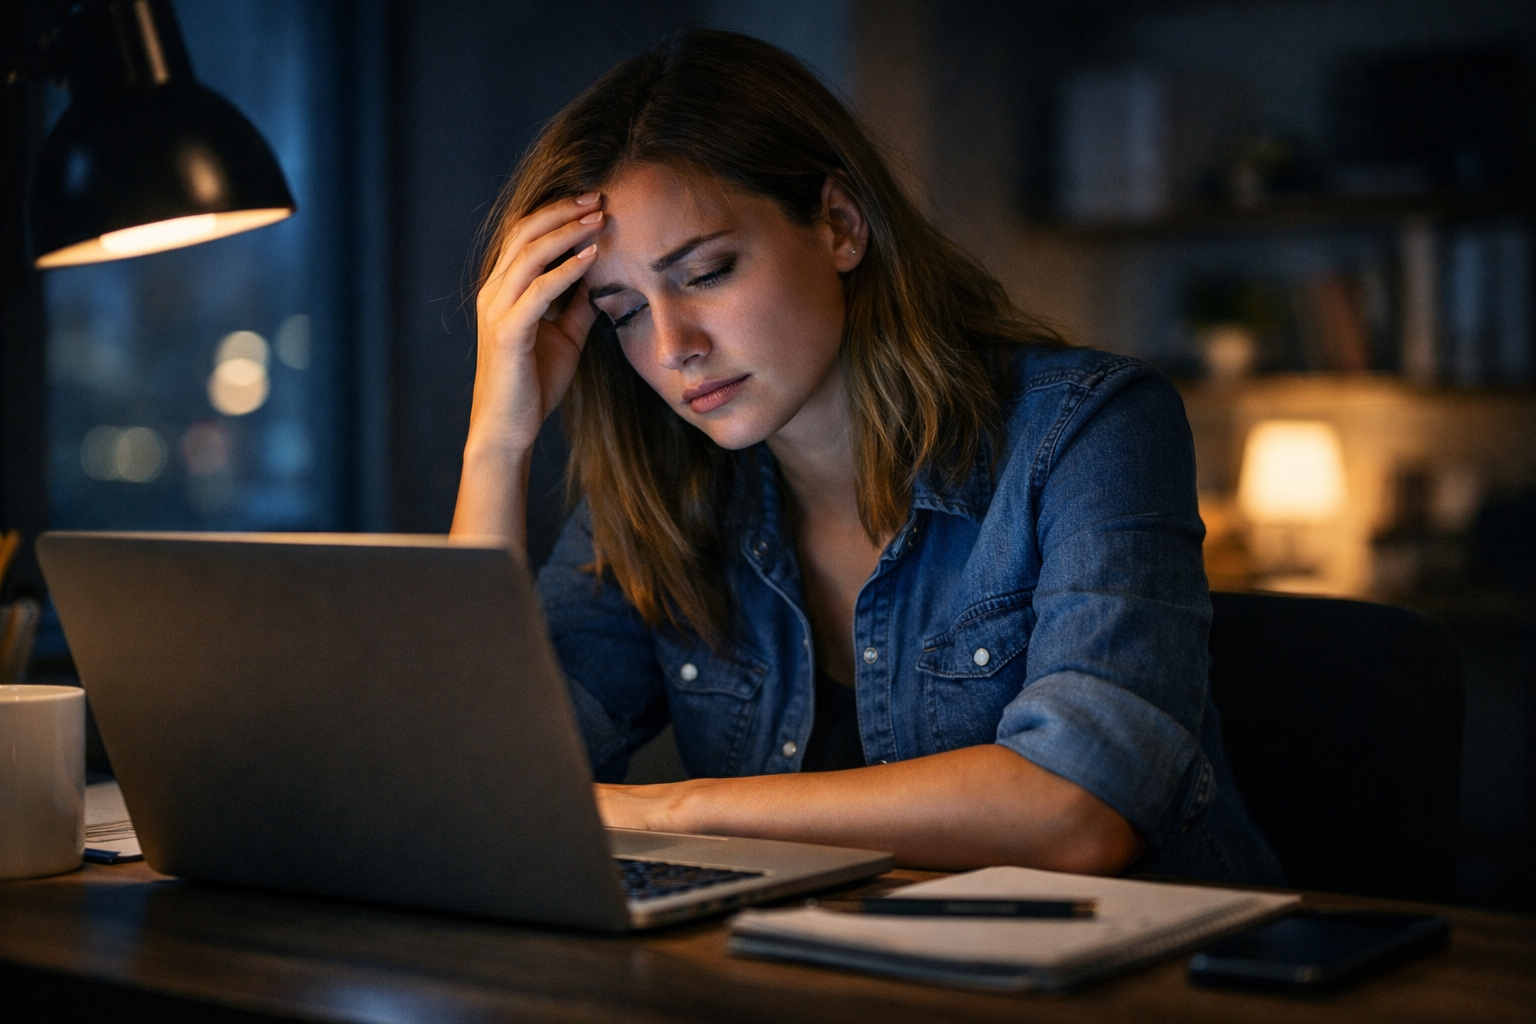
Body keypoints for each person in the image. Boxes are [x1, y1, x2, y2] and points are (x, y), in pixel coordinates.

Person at [451, 30, 1283, 883]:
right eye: (624, 311)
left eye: (706, 272)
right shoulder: (663, 491)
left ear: (840, 225)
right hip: (822, 956)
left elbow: (1078, 810)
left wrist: (672, 811)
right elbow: (477, 783)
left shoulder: (1088, 426)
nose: (672, 347)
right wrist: (497, 445)